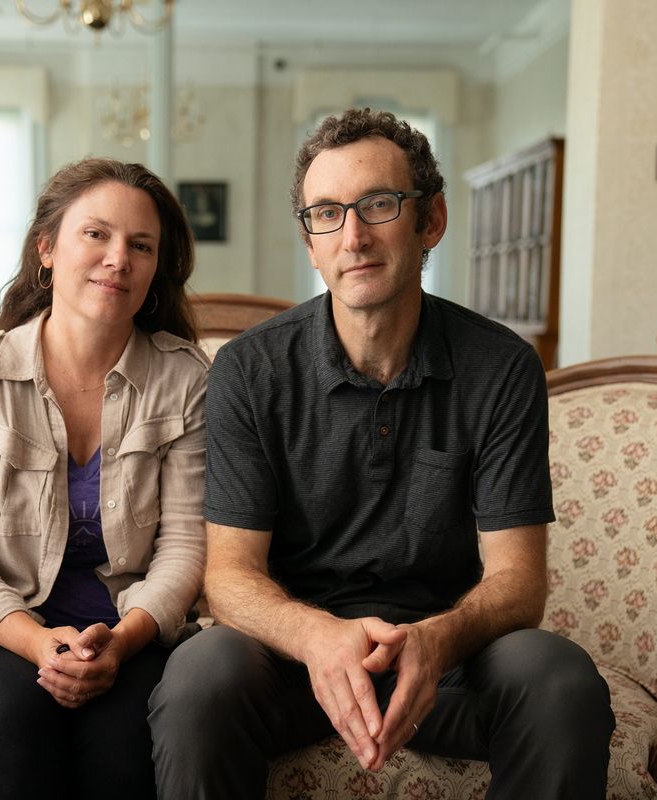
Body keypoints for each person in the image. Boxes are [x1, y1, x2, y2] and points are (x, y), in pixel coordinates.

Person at [148, 109, 614, 799]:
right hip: (291, 662)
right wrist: (316, 638)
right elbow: (230, 577)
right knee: (198, 676)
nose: (354, 235)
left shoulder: (502, 367)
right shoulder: (250, 369)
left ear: (431, 222)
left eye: (379, 205)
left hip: (446, 661)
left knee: (560, 680)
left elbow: (519, 582)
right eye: (327, 214)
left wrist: (437, 639)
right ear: (310, 243)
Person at [0, 158, 208, 799]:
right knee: (16, 726)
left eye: (140, 245)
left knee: (129, 746)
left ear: (155, 268)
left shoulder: (186, 381)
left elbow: (185, 547)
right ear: (47, 247)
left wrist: (121, 644)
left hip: (127, 635)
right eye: (95, 234)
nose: (117, 258)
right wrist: (40, 644)